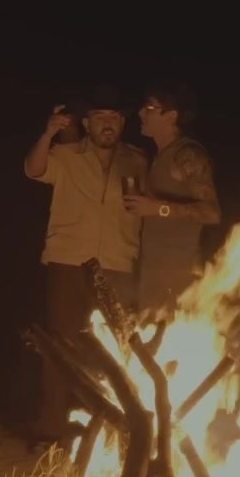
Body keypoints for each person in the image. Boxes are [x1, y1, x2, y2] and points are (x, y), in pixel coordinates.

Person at [23, 85, 148, 449]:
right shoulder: (65, 154)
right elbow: (33, 170)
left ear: (122, 123)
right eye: (99, 117)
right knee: (61, 348)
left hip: (117, 263)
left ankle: (113, 431)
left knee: (115, 351)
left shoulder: (138, 160)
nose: (107, 124)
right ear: (88, 123)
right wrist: (48, 133)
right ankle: (51, 429)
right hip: (68, 260)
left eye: (114, 118)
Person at [126, 81, 221, 314]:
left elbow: (212, 213)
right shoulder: (158, 157)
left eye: (150, 108)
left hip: (180, 277)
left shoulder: (187, 154)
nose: (141, 113)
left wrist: (159, 208)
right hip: (152, 274)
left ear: (171, 116)